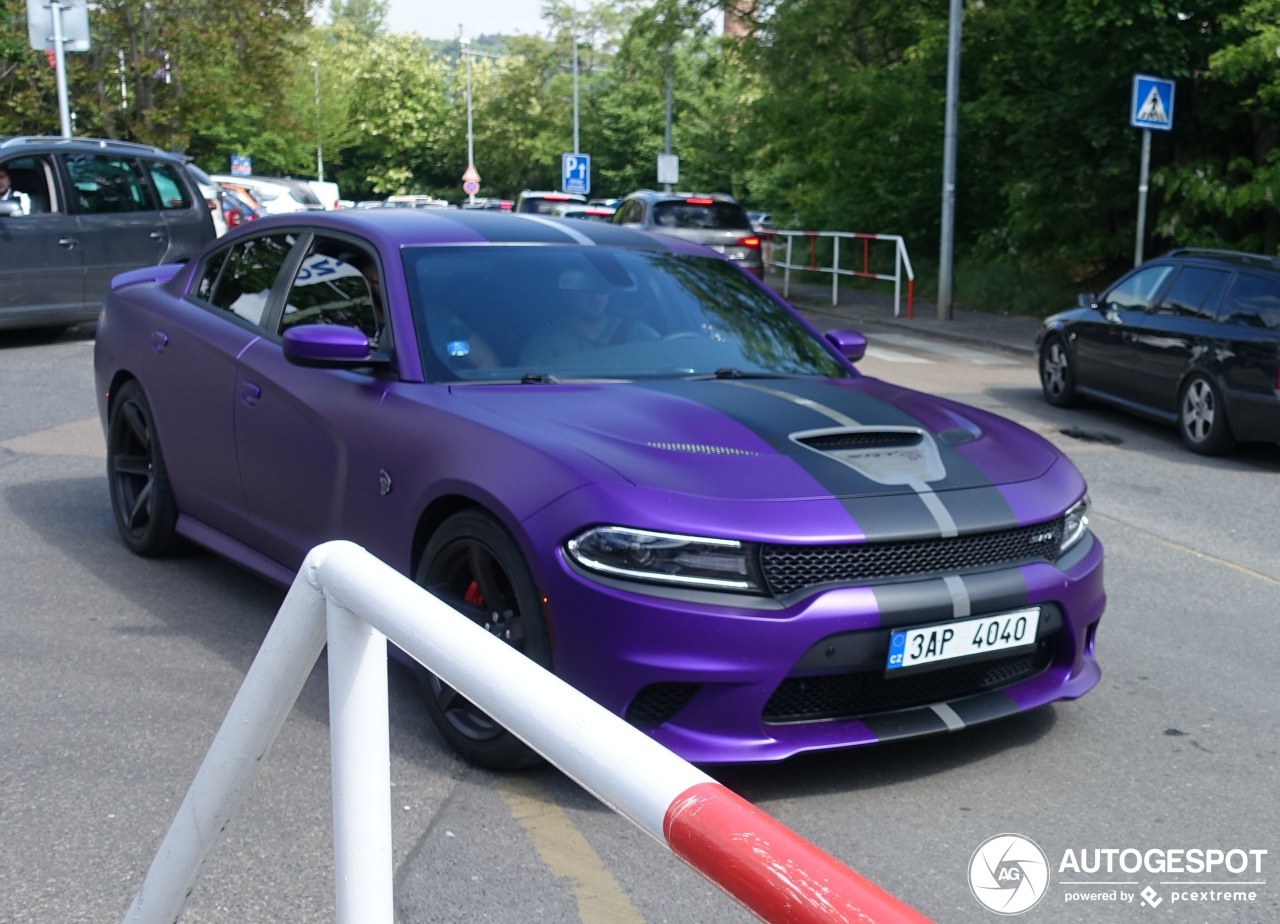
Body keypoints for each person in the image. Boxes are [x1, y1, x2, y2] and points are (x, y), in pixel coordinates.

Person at [520, 268, 659, 365]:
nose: (595, 297)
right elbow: (527, 380)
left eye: (602, 290)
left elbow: (669, 358)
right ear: (568, 295)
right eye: (586, 290)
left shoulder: (637, 333)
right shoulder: (547, 340)